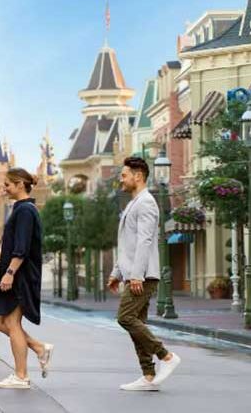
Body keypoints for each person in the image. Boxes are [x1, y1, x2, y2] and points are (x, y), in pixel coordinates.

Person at [108, 156, 181, 391]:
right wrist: (117, 272)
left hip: (143, 275)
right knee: (136, 322)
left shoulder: (146, 203)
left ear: (138, 176)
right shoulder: (133, 203)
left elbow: (144, 241)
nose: (122, 179)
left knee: (125, 318)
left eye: (124, 175)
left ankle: (166, 356)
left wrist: (136, 275)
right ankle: (148, 375)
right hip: (134, 273)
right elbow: (127, 244)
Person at [0, 168, 53, 389]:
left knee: (12, 323)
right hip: (15, 273)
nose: (4, 188)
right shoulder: (20, 209)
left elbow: (22, 248)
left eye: (7, 184)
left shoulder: (25, 210)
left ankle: (21, 375)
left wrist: (10, 272)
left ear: (19, 184)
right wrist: (1, 260)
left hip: (21, 276)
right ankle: (38, 347)